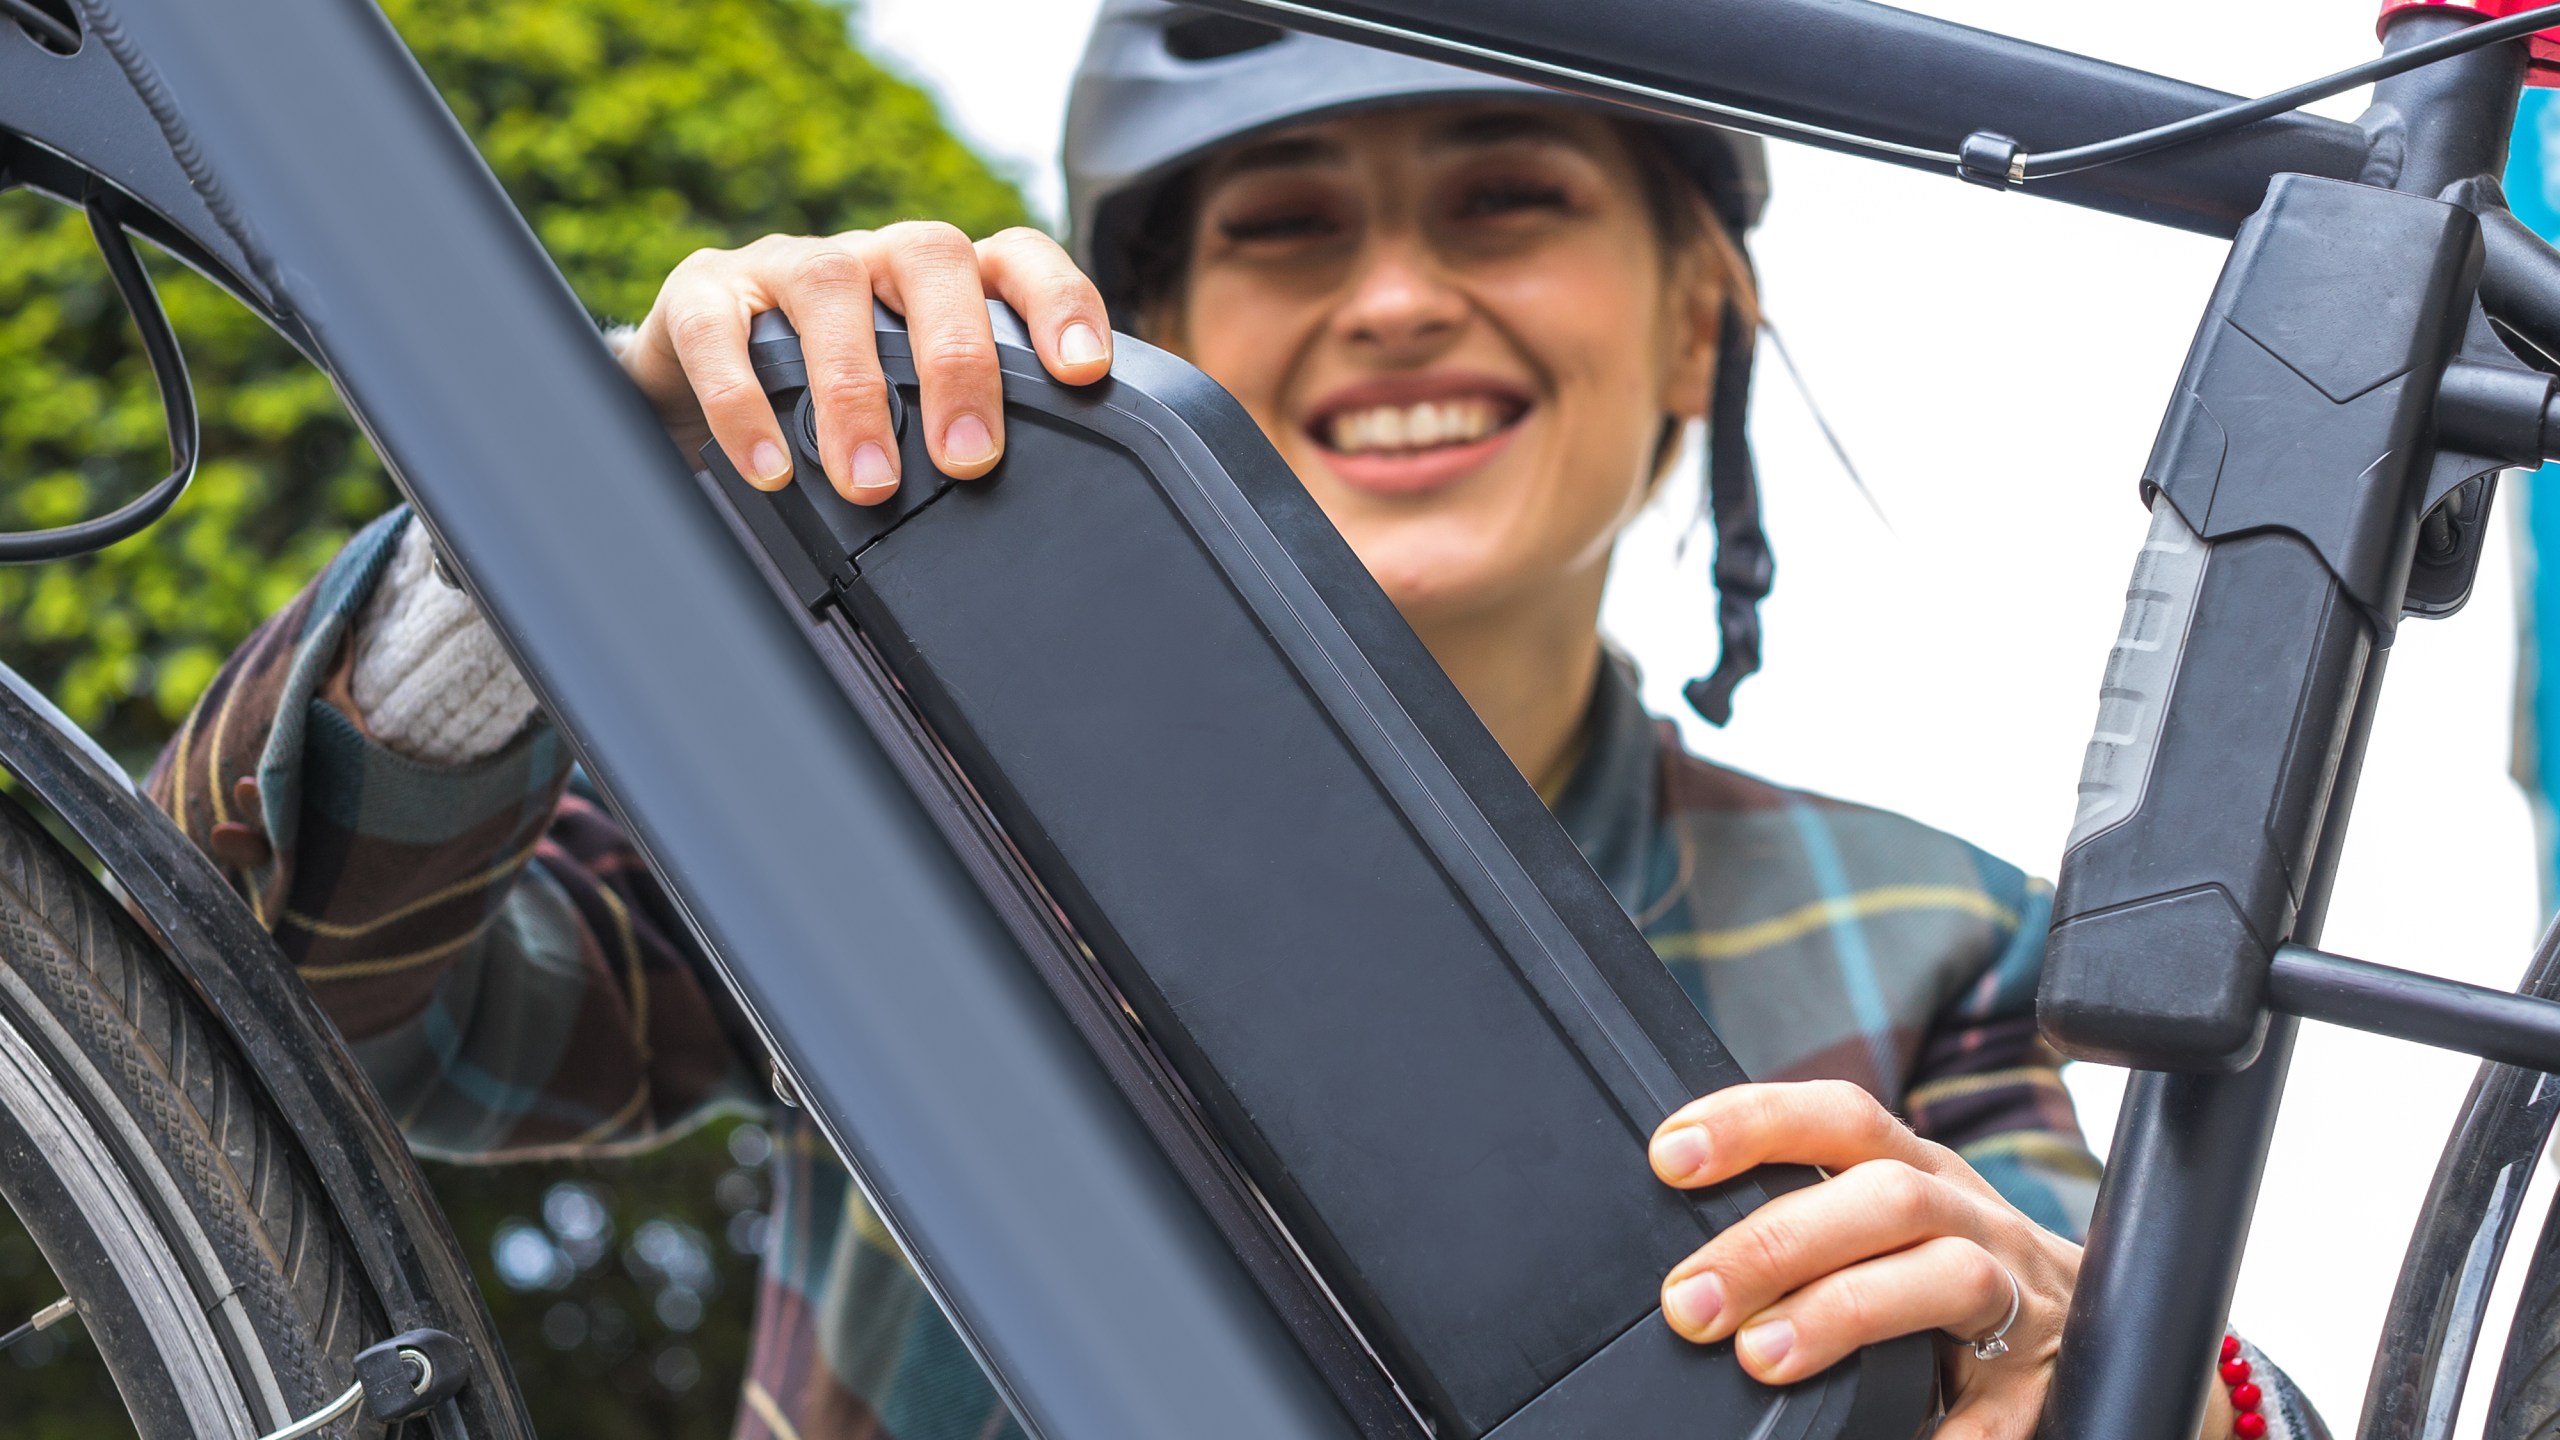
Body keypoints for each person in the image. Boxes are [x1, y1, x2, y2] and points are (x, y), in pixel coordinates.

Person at [147, 3, 2321, 1437]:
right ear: (1139, 333)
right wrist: (548, 528)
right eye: (1284, 229)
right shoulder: (896, 790)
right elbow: (310, 1015)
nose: (1391, 297)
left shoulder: (1939, 935)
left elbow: (2098, 1348)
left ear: (1694, 322)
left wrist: (2081, 1365)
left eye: (1506, 200)